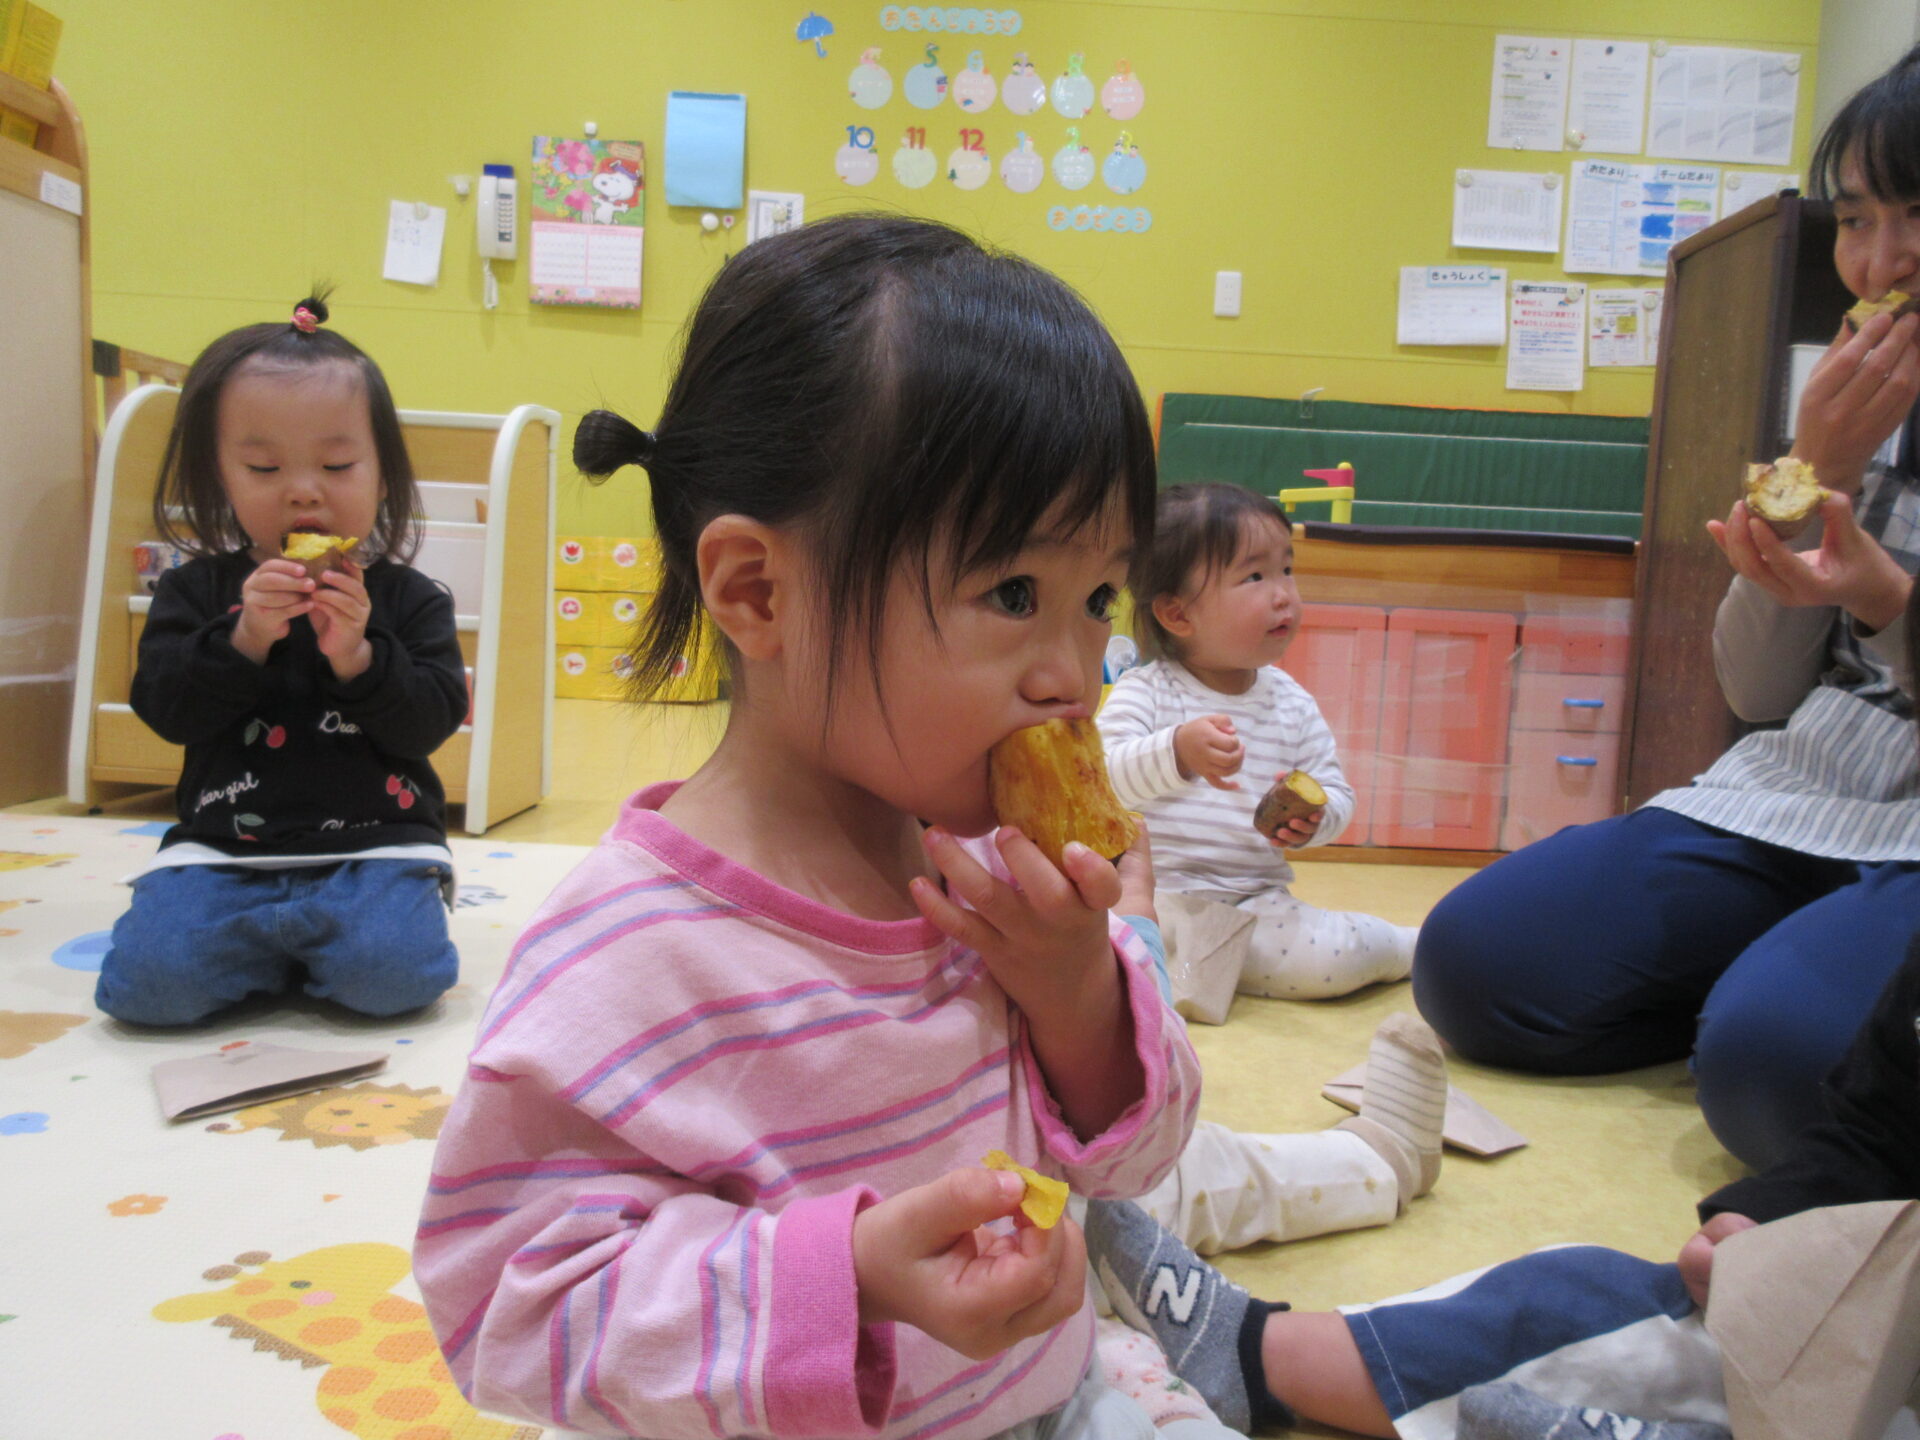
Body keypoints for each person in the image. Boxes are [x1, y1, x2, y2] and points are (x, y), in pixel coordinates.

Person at [412, 216, 1215, 1440]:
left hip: (1055, 1398)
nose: (1075, 674)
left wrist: (1078, 999)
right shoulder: (628, 957)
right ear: (758, 592)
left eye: (1097, 597)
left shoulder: (1003, 886)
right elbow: (507, 1307)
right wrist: (843, 1281)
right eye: (1014, 593)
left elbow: (1138, 1159)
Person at [1075, 571, 1920, 1440]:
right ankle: (1249, 1318)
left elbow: (1133, 1116)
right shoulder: (1139, 696)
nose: (1065, 668)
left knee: (1165, 1172)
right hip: (1051, 1187)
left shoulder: (1284, 698)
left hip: (1229, 950)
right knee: (1136, 1208)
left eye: (1095, 608)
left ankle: (1367, 1165)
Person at [1412, 43, 1920, 1172]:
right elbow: (1758, 689)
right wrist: (1818, 468)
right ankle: (1769, 983)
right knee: (1474, 963)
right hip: (1802, 791)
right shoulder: (1854, 404)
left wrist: (1891, 603)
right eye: (1854, 219)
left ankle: (1771, 1003)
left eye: (1915, 217)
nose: (1880, 263)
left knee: (1780, 1071)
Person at [94, 294, 466, 1026]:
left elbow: (430, 722)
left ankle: (291, 954)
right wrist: (243, 640)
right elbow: (166, 710)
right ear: (220, 477)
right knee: (148, 989)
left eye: (337, 464)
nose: (303, 490)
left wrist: (359, 657)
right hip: (222, 853)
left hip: (373, 852)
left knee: (397, 978)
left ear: (382, 474)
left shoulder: (411, 599)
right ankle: (271, 952)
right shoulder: (195, 591)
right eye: (263, 467)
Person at [1098, 481, 1418, 1005]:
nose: (1283, 593)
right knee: (1083, 942)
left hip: (1253, 906)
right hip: (1148, 897)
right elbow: (1102, 780)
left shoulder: (1292, 703)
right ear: (1178, 614)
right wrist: (1175, 751)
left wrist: (1317, 819)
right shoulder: (1146, 690)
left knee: (1333, 956)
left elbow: (1335, 789)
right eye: (1254, 576)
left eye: (1286, 569)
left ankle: (1413, 947)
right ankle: (1165, 971)